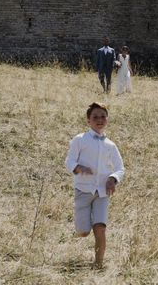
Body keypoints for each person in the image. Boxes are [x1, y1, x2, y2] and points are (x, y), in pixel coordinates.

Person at [64, 102, 125, 269]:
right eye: (95, 117)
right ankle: (84, 224)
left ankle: (98, 264)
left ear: (107, 120)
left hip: (102, 193)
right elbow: (69, 160)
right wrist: (78, 168)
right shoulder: (80, 139)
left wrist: (113, 178)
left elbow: (120, 168)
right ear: (88, 121)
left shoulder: (110, 145)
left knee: (100, 228)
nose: (99, 120)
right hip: (83, 191)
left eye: (103, 117)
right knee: (83, 232)